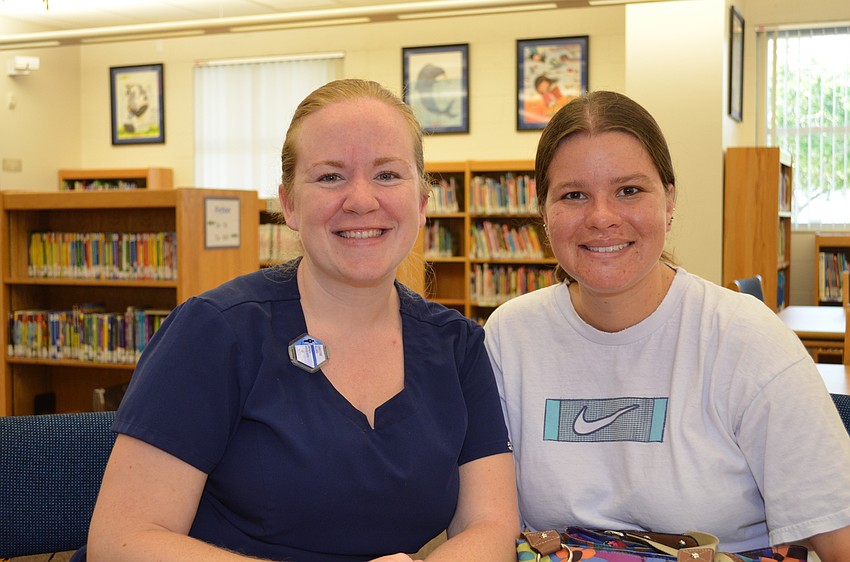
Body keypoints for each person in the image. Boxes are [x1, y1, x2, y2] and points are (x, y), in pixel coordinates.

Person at [78, 78, 519, 562]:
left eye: (388, 175)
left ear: (421, 202)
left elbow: (491, 524)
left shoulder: (457, 346)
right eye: (330, 177)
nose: (361, 199)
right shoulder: (216, 331)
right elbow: (122, 541)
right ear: (289, 204)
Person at [484, 90, 850, 560]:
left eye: (629, 190)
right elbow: (485, 522)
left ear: (670, 199)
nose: (602, 217)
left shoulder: (745, 337)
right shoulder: (509, 337)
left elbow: (836, 534)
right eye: (574, 195)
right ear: (543, 213)